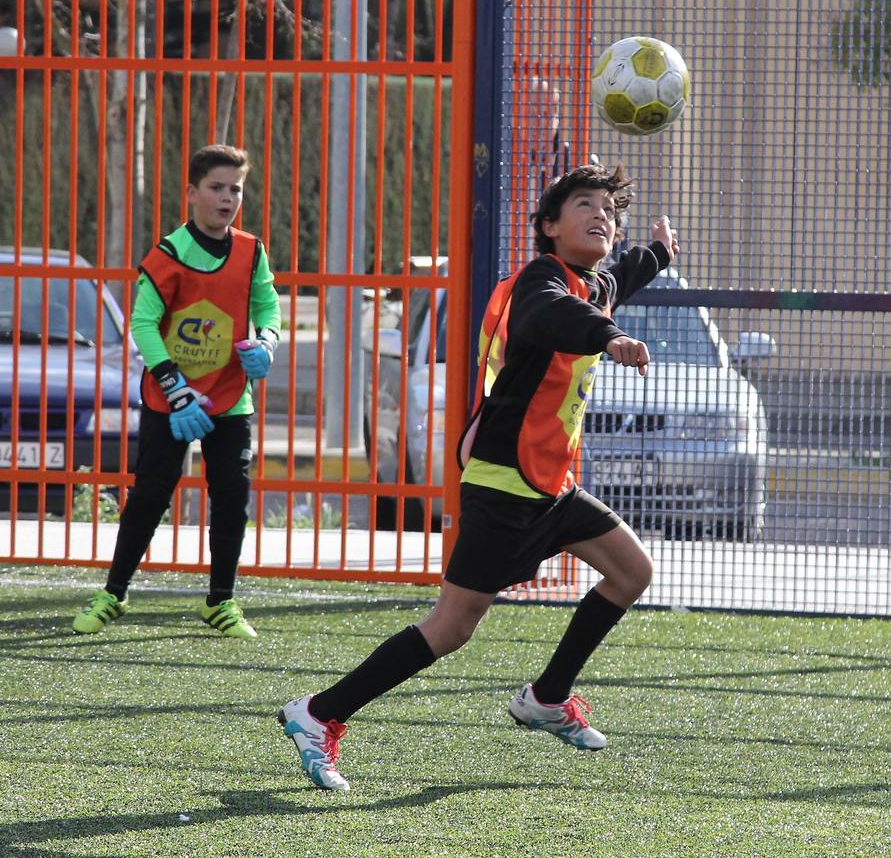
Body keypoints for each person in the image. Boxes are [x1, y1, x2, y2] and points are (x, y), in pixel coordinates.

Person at [279, 164, 678, 790]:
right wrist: (613, 338)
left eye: (610, 209)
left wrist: (654, 253)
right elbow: (551, 318)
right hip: (503, 481)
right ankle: (319, 713)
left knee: (633, 571)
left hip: (549, 484)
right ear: (549, 226)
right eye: (584, 204)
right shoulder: (541, 281)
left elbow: (615, 281)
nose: (602, 215)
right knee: (451, 627)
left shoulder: (591, 282)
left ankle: (546, 698)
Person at [71, 144, 281, 639]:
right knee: (149, 497)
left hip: (231, 398)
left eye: (236, 189)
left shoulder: (252, 250)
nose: (227, 198)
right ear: (191, 193)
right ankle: (114, 593)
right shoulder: (167, 254)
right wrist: (175, 386)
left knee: (232, 499)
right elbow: (143, 324)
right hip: (172, 399)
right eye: (216, 187)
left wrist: (267, 342)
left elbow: (268, 306)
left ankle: (221, 602)